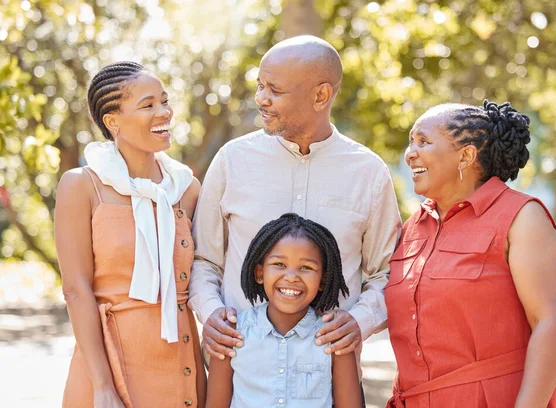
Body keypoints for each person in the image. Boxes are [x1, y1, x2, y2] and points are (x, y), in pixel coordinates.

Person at [188, 35, 401, 405]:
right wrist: (211, 314)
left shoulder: (368, 173)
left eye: (274, 89)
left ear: (321, 96)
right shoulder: (232, 161)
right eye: (260, 86)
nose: (261, 98)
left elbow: (387, 273)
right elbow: (204, 259)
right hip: (242, 381)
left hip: (331, 385)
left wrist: (359, 323)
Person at [385, 100, 556, 408]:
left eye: (423, 141)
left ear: (466, 155)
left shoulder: (521, 217)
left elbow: (550, 322)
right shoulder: (414, 227)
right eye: (410, 142)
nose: (410, 153)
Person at [56, 61, 206, 408]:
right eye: (148, 104)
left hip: (181, 362)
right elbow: (77, 291)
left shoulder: (186, 189)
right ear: (113, 121)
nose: (164, 113)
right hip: (108, 364)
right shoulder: (82, 185)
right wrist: (103, 386)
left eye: (165, 101)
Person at [206, 213, 362, 407]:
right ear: (260, 273)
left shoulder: (334, 337)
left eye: (305, 267)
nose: (291, 277)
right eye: (279, 264)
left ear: (323, 280)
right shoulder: (231, 333)